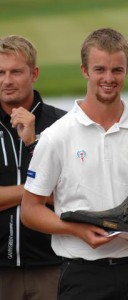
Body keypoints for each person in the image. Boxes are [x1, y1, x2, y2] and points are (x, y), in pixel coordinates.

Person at [21, 28, 128, 300]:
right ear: (84, 71)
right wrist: (75, 230)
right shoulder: (57, 136)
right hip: (82, 275)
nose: (108, 78)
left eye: (117, 70)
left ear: (127, 70)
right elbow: (30, 211)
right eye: (100, 69)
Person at [0, 35, 66, 300]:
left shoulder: (63, 124)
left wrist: (33, 141)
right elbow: (50, 193)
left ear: (34, 73)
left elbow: (70, 194)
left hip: (54, 267)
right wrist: (35, 191)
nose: (7, 80)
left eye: (16, 71)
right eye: (1, 72)